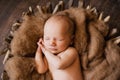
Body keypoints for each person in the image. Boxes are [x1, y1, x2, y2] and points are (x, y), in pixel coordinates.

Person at [35, 14, 83, 80]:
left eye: (59, 39)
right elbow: (41, 69)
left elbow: (59, 64)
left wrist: (45, 51)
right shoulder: (49, 57)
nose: (52, 43)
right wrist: (39, 51)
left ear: (71, 40)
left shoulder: (71, 52)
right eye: (47, 38)